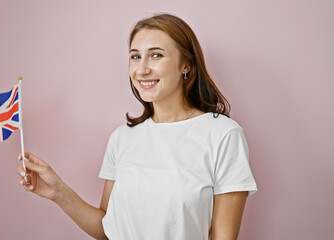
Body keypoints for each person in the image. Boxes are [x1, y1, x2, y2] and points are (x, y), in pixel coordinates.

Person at [17, 13, 257, 240]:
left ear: (186, 65)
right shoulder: (122, 138)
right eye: (135, 56)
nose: (142, 69)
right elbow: (107, 229)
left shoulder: (223, 135)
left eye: (156, 55)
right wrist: (59, 193)